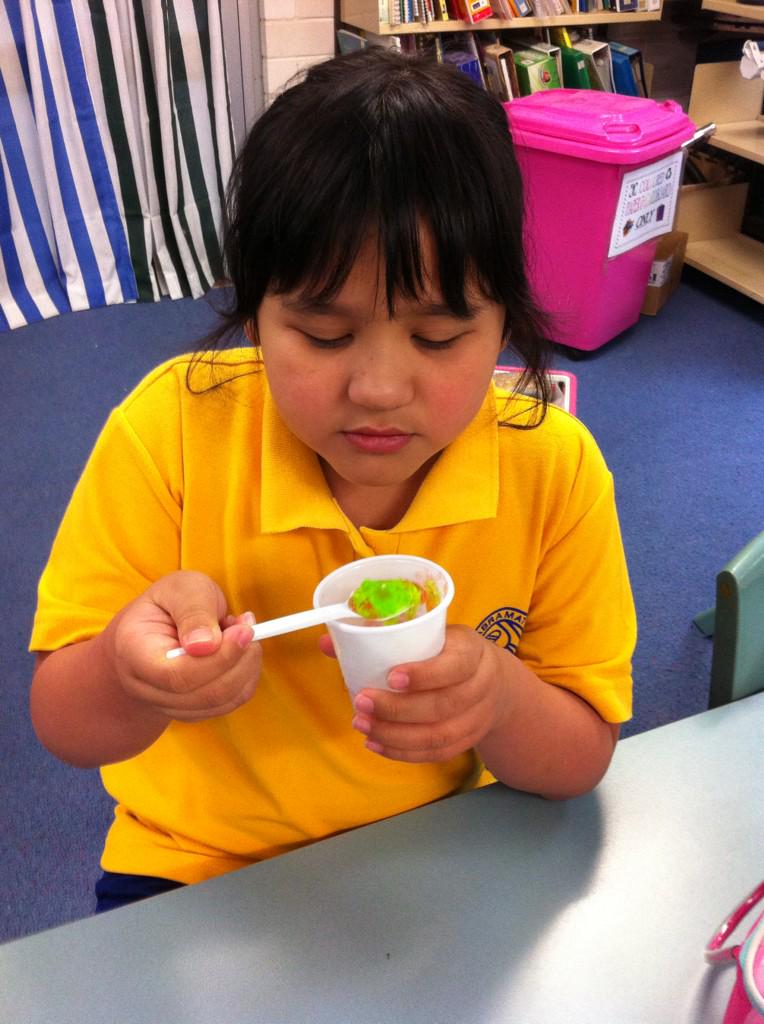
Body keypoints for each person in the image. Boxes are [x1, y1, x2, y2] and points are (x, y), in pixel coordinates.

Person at [29, 48, 636, 913]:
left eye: (437, 340)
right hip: (195, 869)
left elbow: (580, 758)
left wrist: (496, 698)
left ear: (506, 320)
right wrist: (134, 676)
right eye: (321, 333)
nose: (380, 390)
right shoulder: (172, 432)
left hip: (440, 848)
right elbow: (63, 723)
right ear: (255, 313)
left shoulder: (552, 467)